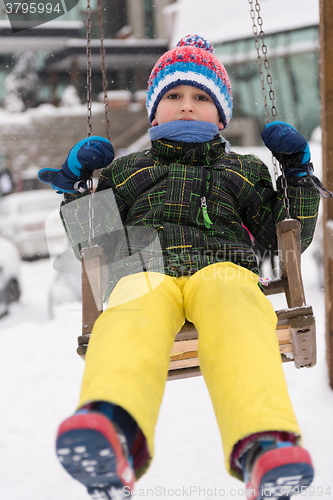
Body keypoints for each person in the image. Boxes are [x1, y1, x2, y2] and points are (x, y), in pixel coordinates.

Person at [39, 35, 321, 500]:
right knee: (128, 320)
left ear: (222, 113)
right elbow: (99, 248)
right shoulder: (126, 171)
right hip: (143, 272)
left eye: (200, 97)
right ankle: (112, 433)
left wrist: (295, 173)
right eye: (173, 95)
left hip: (224, 269)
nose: (186, 106)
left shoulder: (245, 170)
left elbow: (283, 236)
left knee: (240, 317)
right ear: (154, 110)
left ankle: (263, 443)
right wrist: (76, 187)